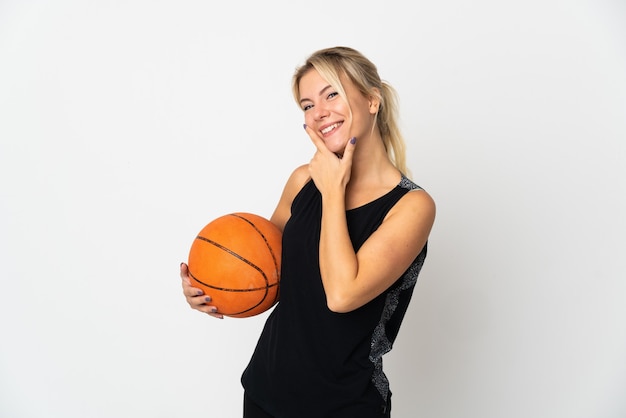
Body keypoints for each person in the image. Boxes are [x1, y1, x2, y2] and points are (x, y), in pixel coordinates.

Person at [180, 46, 436, 418]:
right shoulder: (302, 181)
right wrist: (211, 288)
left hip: (344, 404)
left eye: (331, 94)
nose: (319, 113)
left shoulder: (412, 206)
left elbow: (342, 295)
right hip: (266, 389)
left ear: (372, 100)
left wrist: (333, 191)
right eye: (306, 105)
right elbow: (269, 273)